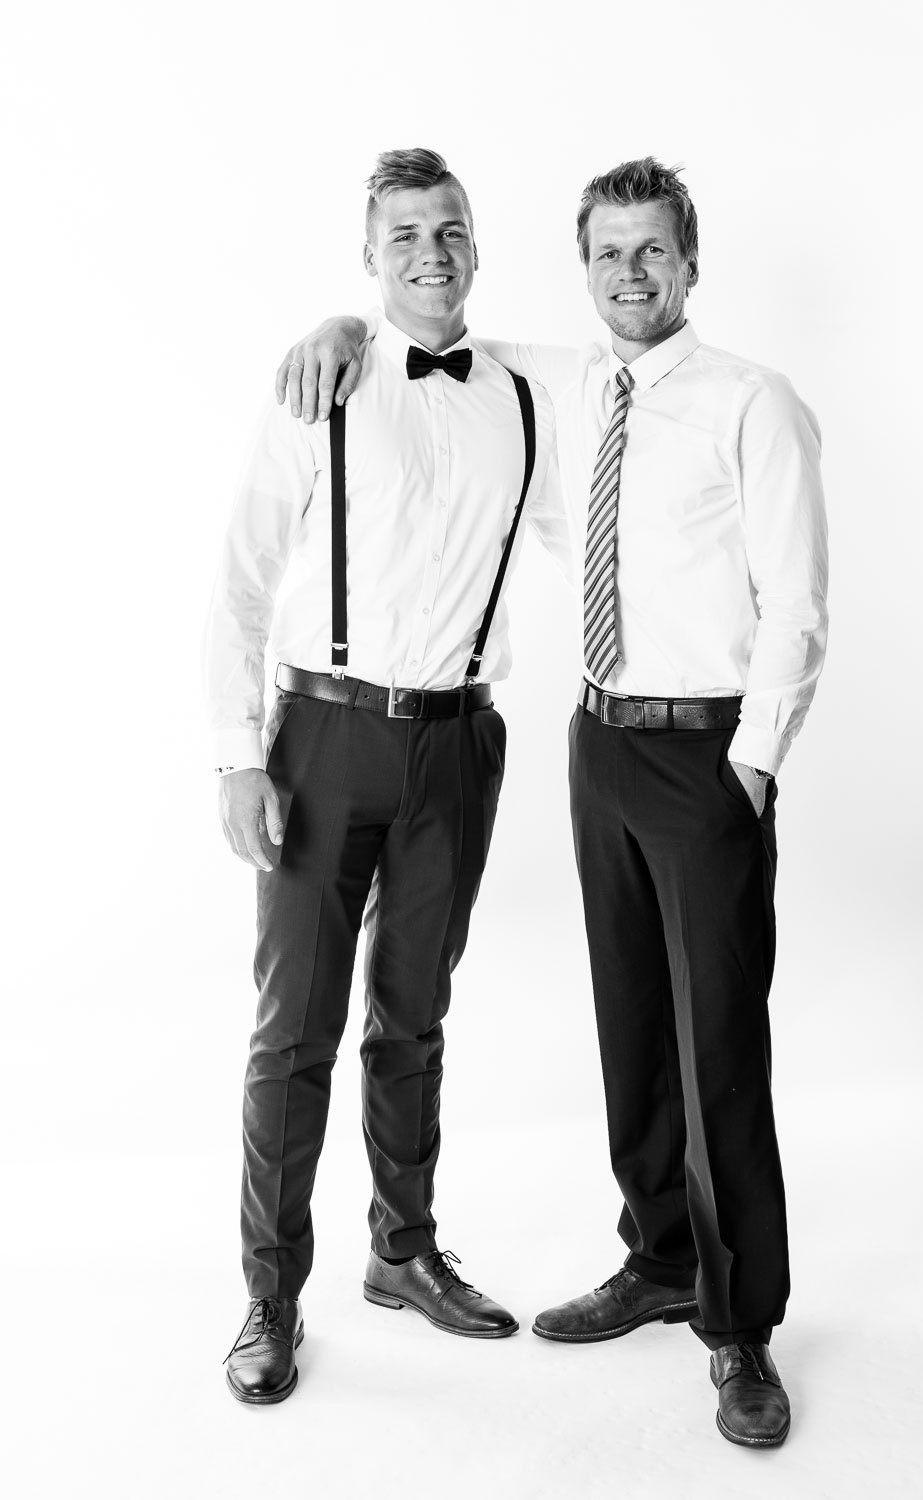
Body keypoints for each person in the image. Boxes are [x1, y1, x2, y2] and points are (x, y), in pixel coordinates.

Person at [274, 157, 829, 1447]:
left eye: (651, 251)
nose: (629, 274)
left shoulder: (752, 402)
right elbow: (427, 328)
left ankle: (740, 1328)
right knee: (630, 1023)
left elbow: (798, 601)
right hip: (597, 740)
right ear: (583, 269)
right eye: (606, 254)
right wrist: (337, 324)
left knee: (715, 1046)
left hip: (705, 750)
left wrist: (752, 762)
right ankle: (659, 1259)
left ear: (689, 263)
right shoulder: (560, 383)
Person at [204, 147, 569, 1405]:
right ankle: (269, 1298)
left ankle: (402, 1253)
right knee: (292, 1031)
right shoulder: (325, 380)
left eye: (449, 228)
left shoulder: (524, 393)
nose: (430, 251)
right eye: (403, 233)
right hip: (322, 736)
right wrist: (236, 757)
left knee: (413, 1016)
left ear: (476, 245)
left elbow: (628, 423)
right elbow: (241, 581)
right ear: (369, 255)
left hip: (459, 742)